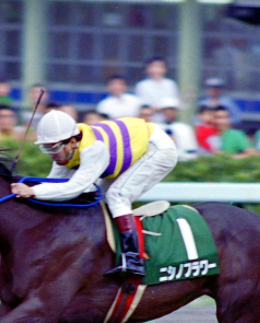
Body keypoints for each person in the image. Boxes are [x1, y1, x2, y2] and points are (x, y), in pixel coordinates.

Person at [10, 111, 178, 277]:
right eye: (46, 148)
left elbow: (75, 187)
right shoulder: (66, 148)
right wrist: (25, 189)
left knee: (117, 196)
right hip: (133, 145)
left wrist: (32, 191)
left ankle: (133, 259)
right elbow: (54, 184)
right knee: (102, 200)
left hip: (158, 148)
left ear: (72, 142)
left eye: (53, 148)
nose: (51, 154)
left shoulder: (93, 149)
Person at [135, 57, 179, 122]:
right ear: (147, 69)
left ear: (165, 69)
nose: (156, 70)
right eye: (153, 67)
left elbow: (173, 103)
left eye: (159, 67)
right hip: (149, 120)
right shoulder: (142, 85)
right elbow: (142, 105)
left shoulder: (170, 84)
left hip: (167, 120)